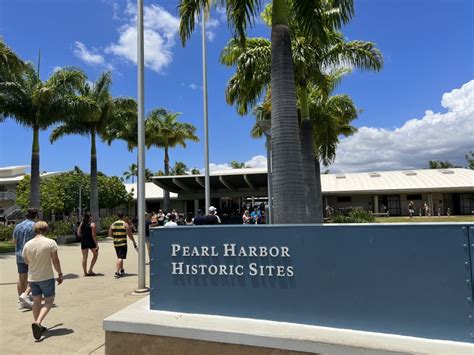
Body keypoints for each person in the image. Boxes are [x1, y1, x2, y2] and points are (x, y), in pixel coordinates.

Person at [22, 221, 63, 340]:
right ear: (46, 230)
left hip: (33, 278)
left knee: (36, 301)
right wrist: (60, 274)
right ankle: (38, 322)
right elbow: (55, 261)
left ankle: (37, 323)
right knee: (49, 301)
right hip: (46, 277)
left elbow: (26, 261)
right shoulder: (50, 243)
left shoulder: (27, 244)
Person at [13, 208, 39, 310]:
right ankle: (26, 296)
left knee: (21, 277)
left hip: (19, 254)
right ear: (36, 216)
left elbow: (14, 241)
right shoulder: (35, 226)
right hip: (31, 255)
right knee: (33, 277)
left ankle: (21, 300)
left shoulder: (18, 226)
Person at [108, 211, 137, 278]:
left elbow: (109, 234)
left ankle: (122, 270)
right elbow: (129, 234)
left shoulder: (113, 224)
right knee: (120, 257)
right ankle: (117, 272)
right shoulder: (125, 224)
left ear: (117, 216)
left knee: (119, 257)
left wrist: (115, 237)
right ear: (123, 216)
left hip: (116, 243)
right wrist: (133, 241)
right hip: (123, 243)